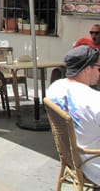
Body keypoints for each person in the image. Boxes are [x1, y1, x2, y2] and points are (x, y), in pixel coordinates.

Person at [46, 45, 100, 184]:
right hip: (93, 166)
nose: (99, 73)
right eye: (98, 68)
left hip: (73, 159)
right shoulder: (94, 100)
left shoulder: (54, 87)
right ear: (87, 69)